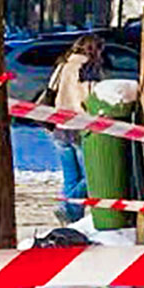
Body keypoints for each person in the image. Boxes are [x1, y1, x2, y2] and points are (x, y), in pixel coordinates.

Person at [47, 33, 104, 221]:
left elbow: (51, 90)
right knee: (92, 176)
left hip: (59, 126)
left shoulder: (63, 65)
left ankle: (73, 218)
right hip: (80, 127)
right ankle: (67, 207)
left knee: (71, 177)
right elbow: (92, 98)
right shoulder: (89, 68)